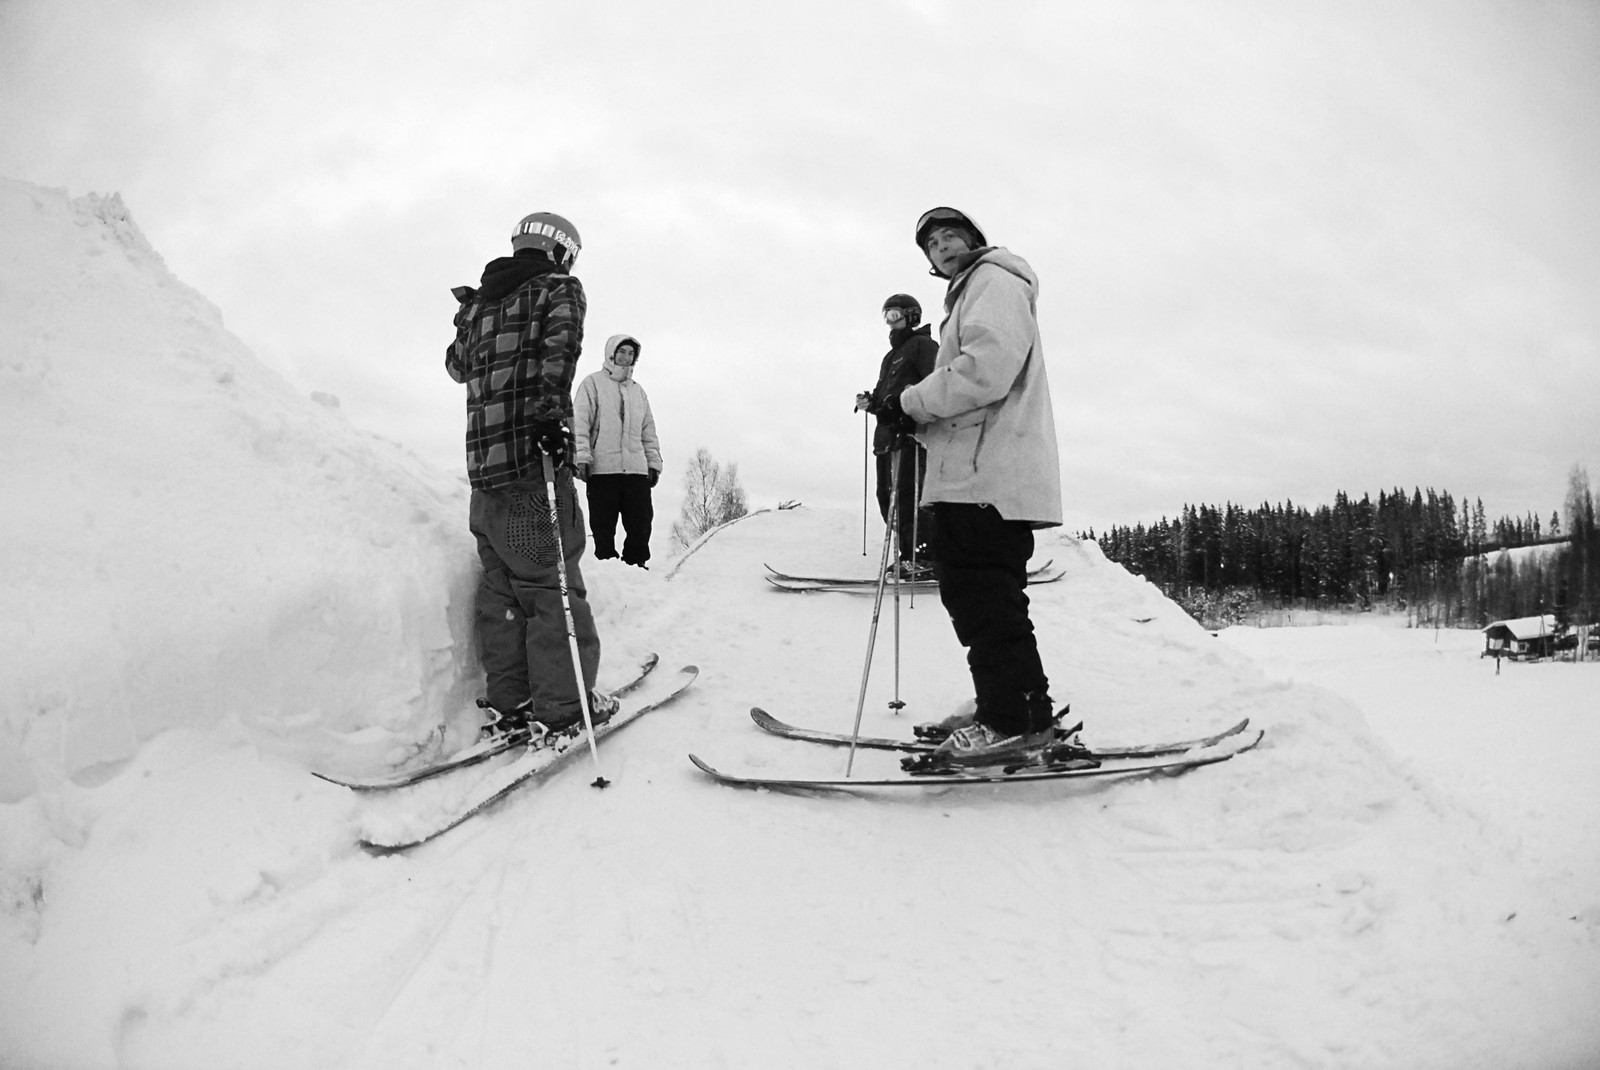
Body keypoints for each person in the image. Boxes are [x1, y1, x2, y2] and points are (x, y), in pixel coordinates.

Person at [877, 207, 1064, 763]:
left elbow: (986, 370)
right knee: (981, 598)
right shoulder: (971, 293)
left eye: (950, 235)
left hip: (988, 477)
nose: (942, 246)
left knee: (985, 600)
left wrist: (912, 402)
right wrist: (913, 419)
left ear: (974, 240)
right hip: (975, 473)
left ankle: (1013, 720)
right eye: (932, 244)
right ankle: (1010, 705)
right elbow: (969, 394)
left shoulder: (993, 281)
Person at [444, 211, 616, 741]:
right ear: (561, 250)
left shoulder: (479, 304)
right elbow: (561, 350)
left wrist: (468, 317)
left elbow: (456, 367)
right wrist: (549, 418)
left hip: (484, 475)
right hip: (531, 465)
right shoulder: (558, 288)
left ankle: (511, 702)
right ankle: (564, 709)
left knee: (501, 590)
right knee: (550, 589)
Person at [854, 294, 937, 577]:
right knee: (886, 497)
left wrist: (907, 405)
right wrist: (872, 402)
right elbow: (884, 399)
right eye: (886, 316)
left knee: (909, 496)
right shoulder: (891, 357)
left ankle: (924, 556)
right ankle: (909, 554)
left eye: (895, 315)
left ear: (912, 316)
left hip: (911, 436)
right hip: (887, 439)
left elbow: (934, 385)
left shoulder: (924, 346)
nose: (890, 322)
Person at [572, 333, 663, 568]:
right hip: (603, 470)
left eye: (631, 353)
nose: (626, 357)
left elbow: (648, 431)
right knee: (603, 526)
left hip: (636, 471)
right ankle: (607, 568)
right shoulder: (592, 384)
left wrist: (653, 463)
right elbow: (580, 424)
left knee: (641, 524)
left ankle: (637, 567)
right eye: (622, 352)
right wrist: (582, 457)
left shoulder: (638, 391)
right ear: (611, 353)